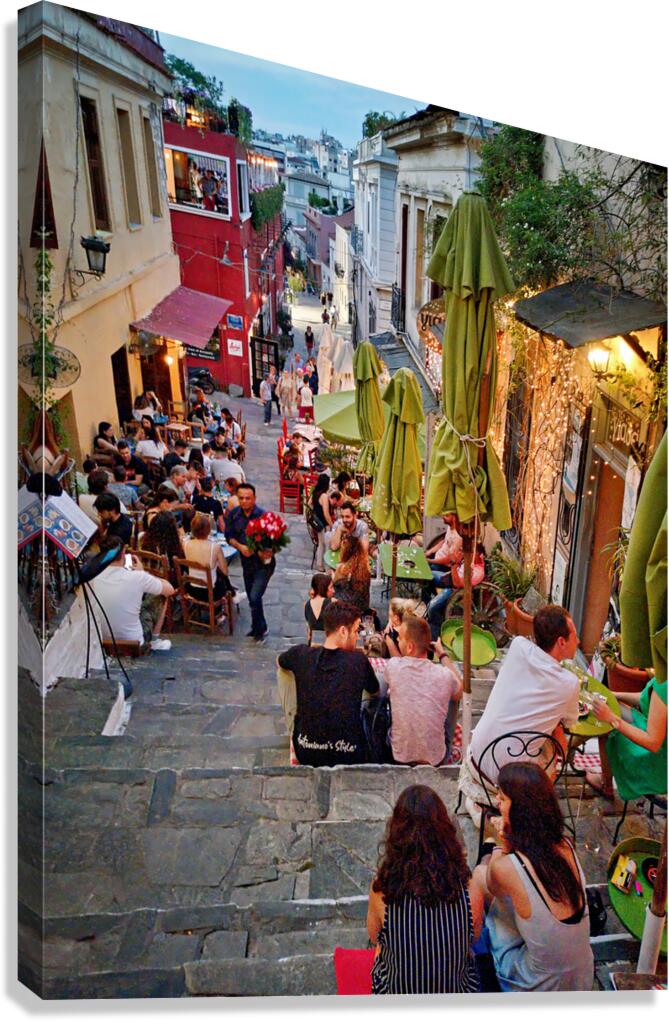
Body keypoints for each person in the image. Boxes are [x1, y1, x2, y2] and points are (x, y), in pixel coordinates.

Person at [471, 762, 593, 992]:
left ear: (521, 811)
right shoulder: (566, 845)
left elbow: (491, 881)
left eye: (503, 798)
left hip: (537, 985)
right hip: (581, 976)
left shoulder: (508, 868)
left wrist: (500, 842)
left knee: (478, 874)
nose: (497, 801)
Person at [459, 605, 580, 810]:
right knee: (556, 745)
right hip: (508, 777)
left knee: (547, 733)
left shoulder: (518, 646)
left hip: (478, 754)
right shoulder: (569, 683)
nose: (578, 641)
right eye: (575, 636)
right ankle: (534, 809)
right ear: (561, 642)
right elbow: (570, 722)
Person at [368, 785, 481, 994]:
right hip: (457, 995)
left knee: (379, 949)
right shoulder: (469, 885)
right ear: (445, 829)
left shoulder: (382, 888)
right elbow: (473, 937)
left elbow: (375, 937)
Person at [277, 600, 379, 766]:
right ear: (343, 631)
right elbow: (374, 692)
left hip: (306, 751)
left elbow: (280, 662)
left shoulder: (301, 654)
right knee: (370, 689)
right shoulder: (358, 660)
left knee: (283, 674)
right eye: (355, 632)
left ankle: (295, 724)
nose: (356, 638)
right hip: (349, 754)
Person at [384, 615, 462, 766]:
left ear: (410, 647)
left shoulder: (394, 667)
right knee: (453, 698)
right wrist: (442, 654)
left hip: (399, 755)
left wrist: (388, 640)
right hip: (435, 758)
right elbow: (460, 690)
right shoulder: (443, 674)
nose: (397, 640)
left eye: (399, 638)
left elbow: (398, 662)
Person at [585, 672, 667, 802]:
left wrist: (612, 719)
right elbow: (647, 697)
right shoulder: (664, 680)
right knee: (609, 708)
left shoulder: (665, 685)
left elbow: (653, 743)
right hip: (654, 737)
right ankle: (569, 750)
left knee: (605, 724)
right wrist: (613, 695)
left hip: (658, 764)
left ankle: (606, 784)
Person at [89, 538, 174, 652]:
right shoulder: (138, 577)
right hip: (134, 642)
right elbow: (170, 590)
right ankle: (154, 641)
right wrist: (143, 572)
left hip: (101, 637)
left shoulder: (92, 576)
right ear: (123, 553)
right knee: (160, 596)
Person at [225, 482, 275, 641]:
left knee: (254, 596)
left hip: (263, 565)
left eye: (248, 498)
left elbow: (275, 541)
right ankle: (257, 627)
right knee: (254, 599)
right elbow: (229, 537)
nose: (244, 501)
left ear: (254, 499)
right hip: (246, 564)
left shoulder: (263, 516)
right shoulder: (234, 515)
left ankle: (261, 628)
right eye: (241, 498)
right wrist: (240, 547)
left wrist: (261, 549)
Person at [183, 512, 233, 602]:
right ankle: (230, 599)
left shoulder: (185, 544)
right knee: (223, 578)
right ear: (208, 530)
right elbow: (225, 571)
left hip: (191, 589)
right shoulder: (215, 547)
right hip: (210, 593)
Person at [332, 535, 371, 615]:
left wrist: (332, 574)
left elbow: (334, 582)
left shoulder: (342, 568)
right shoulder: (366, 568)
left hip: (345, 605)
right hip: (362, 606)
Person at [309, 473, 334, 572]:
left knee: (320, 544)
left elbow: (309, 503)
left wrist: (315, 511)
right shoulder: (324, 496)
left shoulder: (315, 493)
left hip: (317, 523)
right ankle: (327, 567)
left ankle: (319, 564)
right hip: (323, 524)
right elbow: (326, 513)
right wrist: (332, 525)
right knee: (326, 544)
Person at [304, 573, 334, 640]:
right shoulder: (332, 602)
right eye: (331, 587)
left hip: (314, 646)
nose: (333, 590)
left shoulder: (307, 605)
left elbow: (309, 633)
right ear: (324, 588)